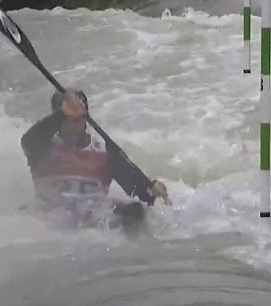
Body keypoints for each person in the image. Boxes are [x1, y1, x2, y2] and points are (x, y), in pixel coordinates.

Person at [21, 90, 168, 233]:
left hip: (94, 220)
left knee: (136, 211)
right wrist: (61, 115)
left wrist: (152, 189)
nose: (72, 124)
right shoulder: (42, 147)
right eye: (66, 119)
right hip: (53, 217)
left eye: (76, 119)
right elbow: (28, 140)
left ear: (85, 118)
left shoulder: (105, 150)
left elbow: (136, 188)